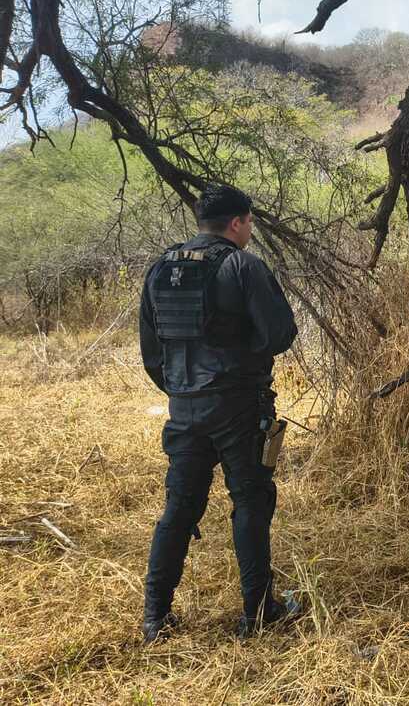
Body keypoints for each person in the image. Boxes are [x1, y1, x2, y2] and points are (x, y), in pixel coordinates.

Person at [139, 183, 300, 643]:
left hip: (184, 409)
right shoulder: (242, 265)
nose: (250, 230)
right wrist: (239, 367)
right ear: (237, 223)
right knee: (251, 500)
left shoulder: (159, 270)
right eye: (249, 223)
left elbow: (152, 353)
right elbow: (279, 334)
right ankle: (258, 612)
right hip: (237, 407)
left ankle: (155, 618)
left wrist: (183, 390)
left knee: (179, 507)